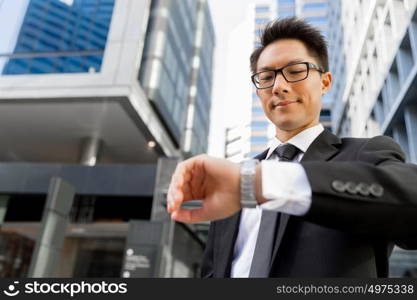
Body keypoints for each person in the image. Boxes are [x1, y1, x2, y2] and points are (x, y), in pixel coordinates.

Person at [166, 17, 417, 277]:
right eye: (266, 77)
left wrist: (259, 183)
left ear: (325, 82)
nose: (279, 86)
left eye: (296, 71)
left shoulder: (365, 154)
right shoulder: (233, 180)